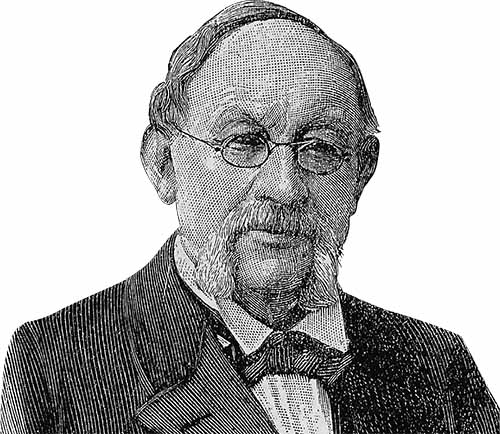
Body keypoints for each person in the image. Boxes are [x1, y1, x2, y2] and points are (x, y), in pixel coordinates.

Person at [1, 1, 498, 433]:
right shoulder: (54, 362)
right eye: (243, 142)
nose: (284, 187)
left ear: (361, 172)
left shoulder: (438, 367)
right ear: (163, 164)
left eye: (320, 148)